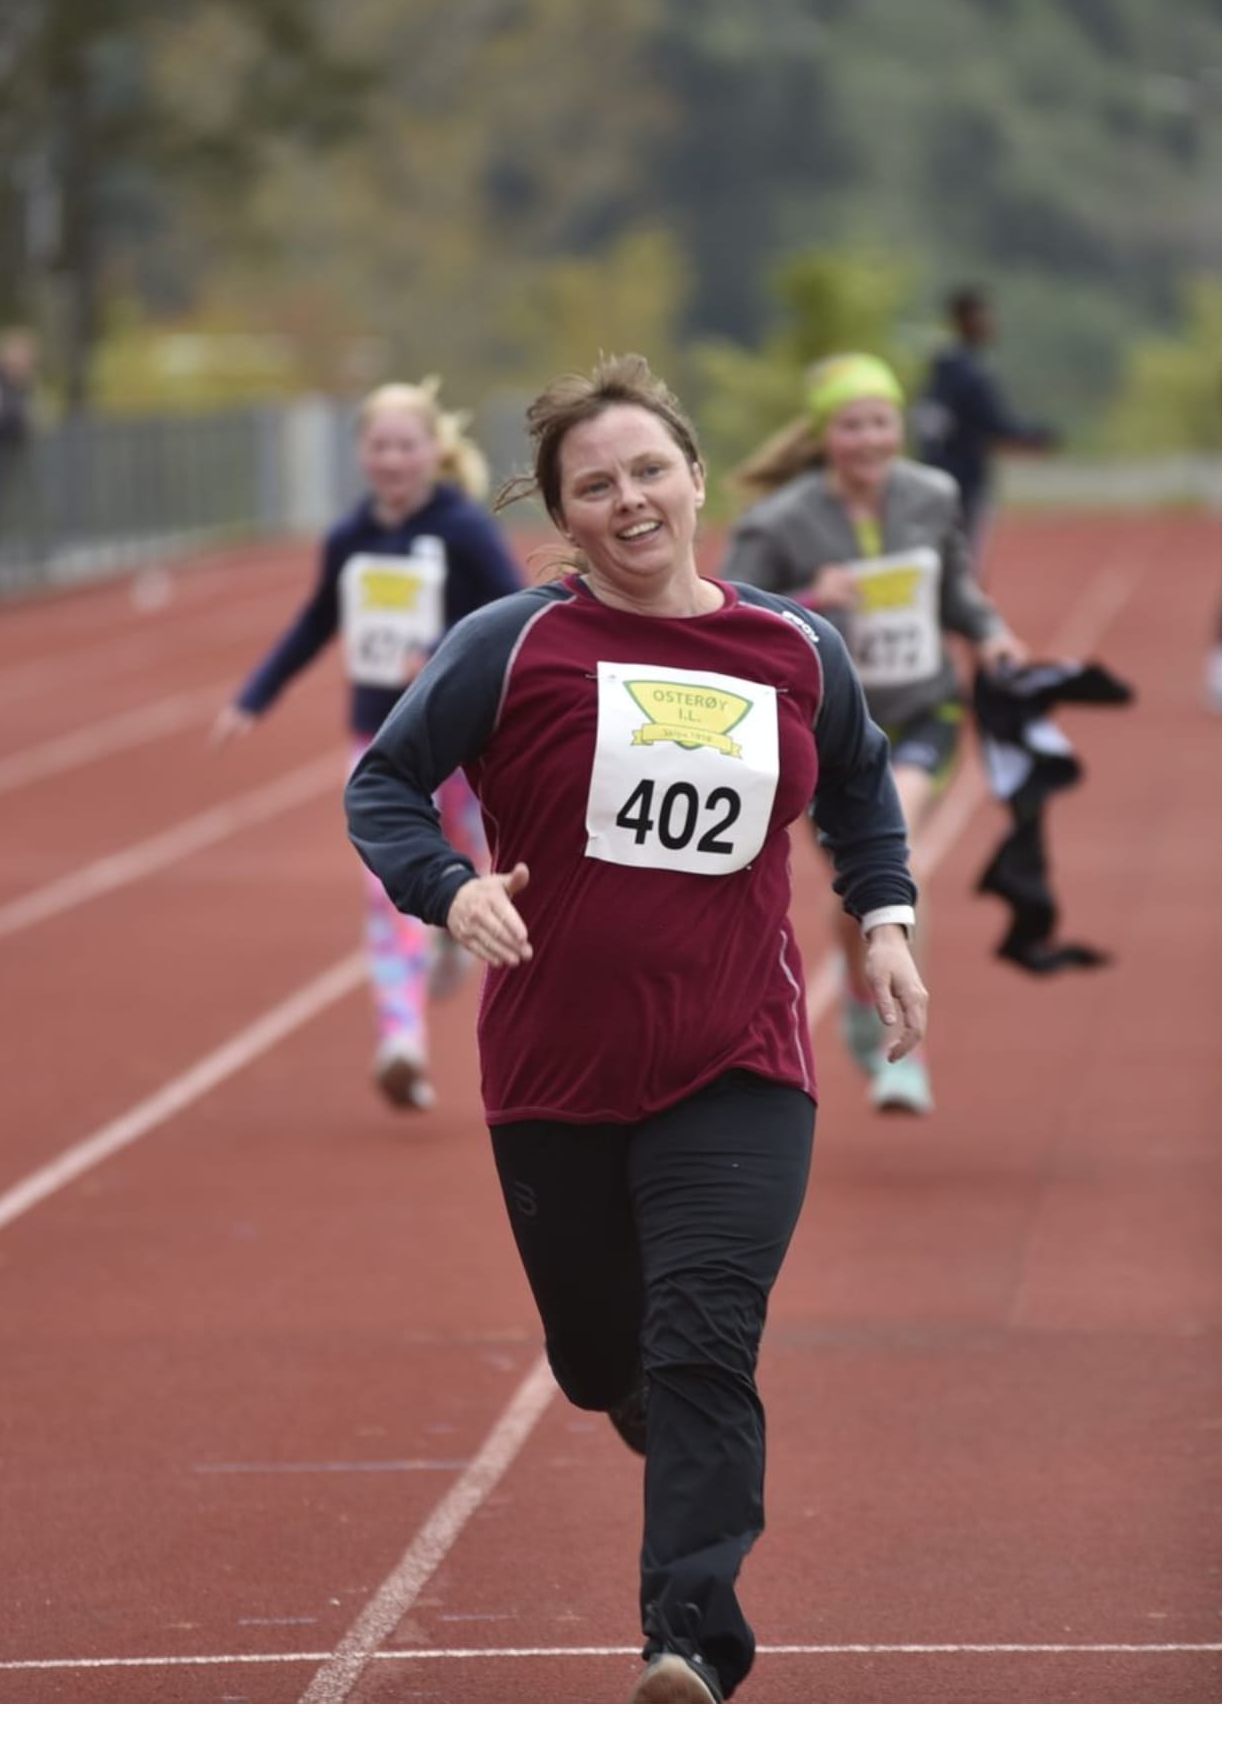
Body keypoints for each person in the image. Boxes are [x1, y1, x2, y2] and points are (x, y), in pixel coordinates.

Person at [347, 354, 925, 1705]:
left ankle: (689, 1642)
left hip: (739, 1060)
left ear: (697, 478)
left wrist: (887, 920)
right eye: (597, 485)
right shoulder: (513, 644)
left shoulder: (796, 647)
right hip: (556, 1067)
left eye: (651, 470)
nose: (631, 500)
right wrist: (450, 886)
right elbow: (384, 785)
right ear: (566, 515)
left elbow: (858, 786)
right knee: (604, 1356)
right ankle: (637, 1401)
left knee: (706, 1336)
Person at [724, 352, 1027, 1115]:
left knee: (899, 862)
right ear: (824, 434)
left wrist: (990, 633)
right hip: (827, 730)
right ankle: (863, 1001)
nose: (869, 439)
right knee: (852, 888)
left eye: (881, 422)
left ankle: (904, 1052)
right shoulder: (779, 521)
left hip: (924, 710)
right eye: (851, 425)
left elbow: (955, 587)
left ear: (900, 426)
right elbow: (731, 617)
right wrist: (806, 596)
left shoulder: (932, 495)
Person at [214, 378, 524, 1108]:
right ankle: (401, 1042)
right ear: (360, 453)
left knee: (473, 863)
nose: (392, 459)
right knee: (388, 885)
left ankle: (450, 932)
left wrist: (443, 657)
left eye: (405, 445)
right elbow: (315, 621)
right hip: (384, 743)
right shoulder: (350, 537)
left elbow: (517, 615)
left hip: (464, 741)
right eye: (379, 446)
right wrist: (254, 696)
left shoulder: (465, 530)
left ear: (434, 451)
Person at [920, 286, 1054, 553]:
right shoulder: (969, 371)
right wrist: (1035, 435)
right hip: (965, 476)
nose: (991, 323)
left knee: (947, 549)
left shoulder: (943, 366)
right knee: (964, 552)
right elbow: (993, 422)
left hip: (940, 473)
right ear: (962, 320)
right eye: (983, 316)